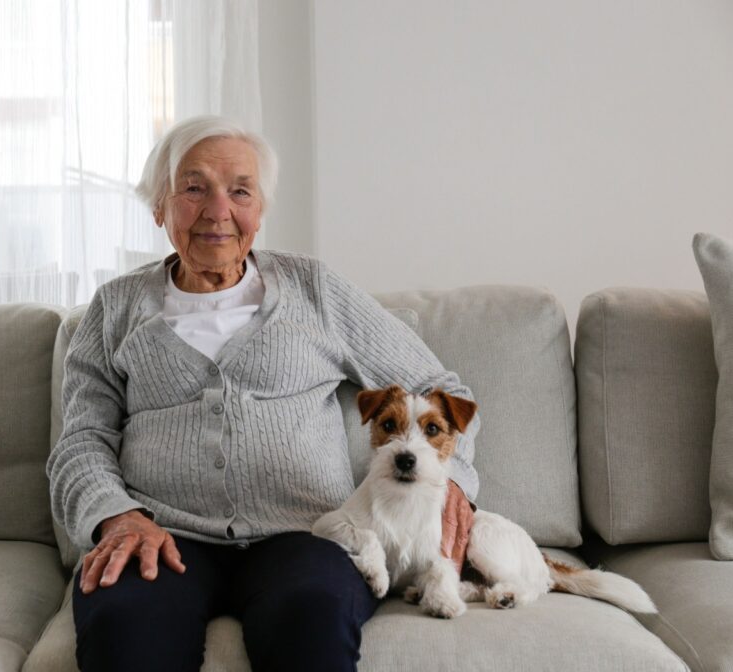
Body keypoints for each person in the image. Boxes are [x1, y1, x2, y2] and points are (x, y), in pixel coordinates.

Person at [47, 115, 480, 672]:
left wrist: (455, 488)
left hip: (306, 534)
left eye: (240, 191)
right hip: (161, 535)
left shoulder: (315, 290)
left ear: (261, 209)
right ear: (160, 204)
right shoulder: (115, 308)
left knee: (312, 620)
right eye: (194, 187)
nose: (217, 209)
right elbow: (81, 442)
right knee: (124, 631)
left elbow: (444, 391)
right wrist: (119, 516)